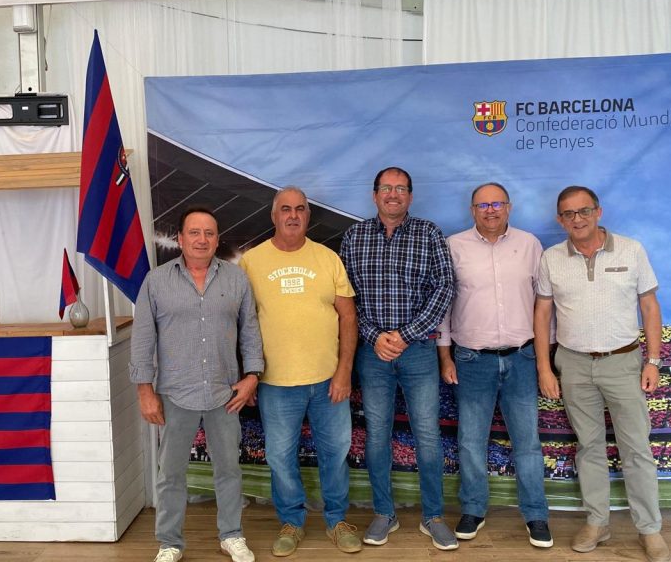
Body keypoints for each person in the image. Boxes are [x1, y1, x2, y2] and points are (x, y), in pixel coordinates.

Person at [533, 186, 671, 562]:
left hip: (623, 362)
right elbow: (542, 313)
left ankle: (650, 529)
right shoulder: (551, 258)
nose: (577, 219)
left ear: (598, 212)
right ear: (560, 219)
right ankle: (597, 522)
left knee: (636, 448)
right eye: (568, 214)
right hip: (573, 363)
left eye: (584, 211)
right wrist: (544, 366)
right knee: (589, 447)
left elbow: (649, 305)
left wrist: (653, 361)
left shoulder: (631, 250)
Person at [130, 206, 263, 562]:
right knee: (171, 473)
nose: (202, 239)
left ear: (217, 240)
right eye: (194, 232)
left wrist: (252, 376)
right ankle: (169, 542)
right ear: (180, 239)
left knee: (228, 470)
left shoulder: (236, 279)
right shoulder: (156, 281)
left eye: (209, 233)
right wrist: (144, 390)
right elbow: (142, 339)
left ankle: (231, 535)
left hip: (225, 393)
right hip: (175, 392)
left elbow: (250, 331)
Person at [339, 166, 458, 551]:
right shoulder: (354, 236)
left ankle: (433, 516)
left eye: (401, 188)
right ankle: (384, 513)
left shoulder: (429, 233)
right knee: (377, 435)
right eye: (386, 188)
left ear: (410, 195)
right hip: (372, 353)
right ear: (375, 195)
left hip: (418, 351)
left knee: (427, 435)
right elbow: (345, 297)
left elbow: (445, 287)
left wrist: (405, 335)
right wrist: (375, 336)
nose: (393, 194)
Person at [238, 186, 362, 556]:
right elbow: (241, 324)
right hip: (276, 383)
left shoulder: (327, 258)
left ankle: (336, 520)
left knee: (335, 452)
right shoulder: (251, 262)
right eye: (286, 209)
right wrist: (250, 374)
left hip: (327, 381)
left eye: (300, 209)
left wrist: (344, 372)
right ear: (273, 215)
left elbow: (348, 317)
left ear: (308, 215)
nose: (293, 215)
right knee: (280, 457)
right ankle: (291, 521)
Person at [437, 182, 553, 549]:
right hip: (472, 359)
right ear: (472, 210)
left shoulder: (529, 244)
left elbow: (544, 305)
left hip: (522, 357)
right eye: (483, 205)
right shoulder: (454, 246)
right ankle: (473, 509)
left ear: (509, 207)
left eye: (497, 203)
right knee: (471, 441)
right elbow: (444, 306)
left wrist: (546, 359)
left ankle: (536, 514)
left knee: (527, 442)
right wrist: (445, 356)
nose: (490, 210)